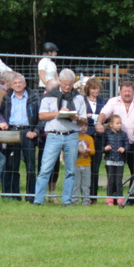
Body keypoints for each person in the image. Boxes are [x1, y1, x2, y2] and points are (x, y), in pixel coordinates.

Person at [34, 69, 88, 205]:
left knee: (70, 170)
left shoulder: (78, 98)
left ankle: (67, 200)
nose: (67, 87)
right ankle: (38, 199)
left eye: (70, 84)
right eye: (65, 84)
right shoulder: (49, 96)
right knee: (45, 168)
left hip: (72, 135)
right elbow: (41, 116)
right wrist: (57, 113)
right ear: (60, 82)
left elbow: (84, 121)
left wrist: (76, 118)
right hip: (54, 135)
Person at [101, 114, 130, 204]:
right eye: (117, 123)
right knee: (110, 180)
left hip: (120, 161)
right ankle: (109, 198)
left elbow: (127, 145)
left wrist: (124, 149)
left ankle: (119, 198)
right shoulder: (106, 134)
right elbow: (101, 146)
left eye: (120, 123)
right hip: (109, 160)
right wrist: (105, 148)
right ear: (111, 124)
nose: (119, 125)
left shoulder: (123, 134)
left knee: (119, 180)